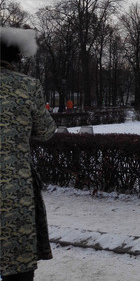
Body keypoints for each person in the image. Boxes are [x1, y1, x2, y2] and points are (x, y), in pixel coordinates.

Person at [1, 27, 56, 280]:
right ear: (16, 57)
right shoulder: (27, 86)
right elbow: (45, 131)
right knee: (17, 263)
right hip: (14, 188)